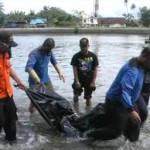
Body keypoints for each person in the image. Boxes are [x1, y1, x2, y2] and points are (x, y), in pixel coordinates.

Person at [87, 46, 150, 142]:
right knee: (115, 132)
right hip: (116, 102)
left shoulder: (143, 65)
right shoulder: (132, 70)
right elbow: (125, 92)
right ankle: (88, 136)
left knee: (137, 122)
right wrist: (131, 111)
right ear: (144, 56)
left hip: (129, 101)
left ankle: (132, 145)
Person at [25, 38, 65, 113]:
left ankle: (50, 115)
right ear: (44, 45)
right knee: (34, 102)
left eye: (49, 50)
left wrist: (60, 72)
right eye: (46, 50)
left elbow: (54, 62)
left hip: (46, 79)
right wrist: (37, 79)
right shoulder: (34, 54)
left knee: (53, 97)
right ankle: (32, 117)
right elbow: (28, 67)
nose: (47, 53)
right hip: (35, 82)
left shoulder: (49, 51)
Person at [0, 31, 25, 143]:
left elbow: (8, 68)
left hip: (8, 94)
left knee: (11, 121)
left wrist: (19, 81)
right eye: (8, 45)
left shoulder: (6, 54)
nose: (10, 48)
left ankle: (12, 142)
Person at [71, 38, 99, 106]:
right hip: (79, 79)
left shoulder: (93, 56)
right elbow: (74, 69)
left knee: (88, 98)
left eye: (85, 46)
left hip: (89, 79)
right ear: (79, 46)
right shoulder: (76, 56)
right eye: (82, 46)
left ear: (88, 45)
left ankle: (88, 112)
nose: (84, 48)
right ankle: (75, 109)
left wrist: (93, 82)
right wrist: (77, 81)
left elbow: (95, 69)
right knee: (76, 95)